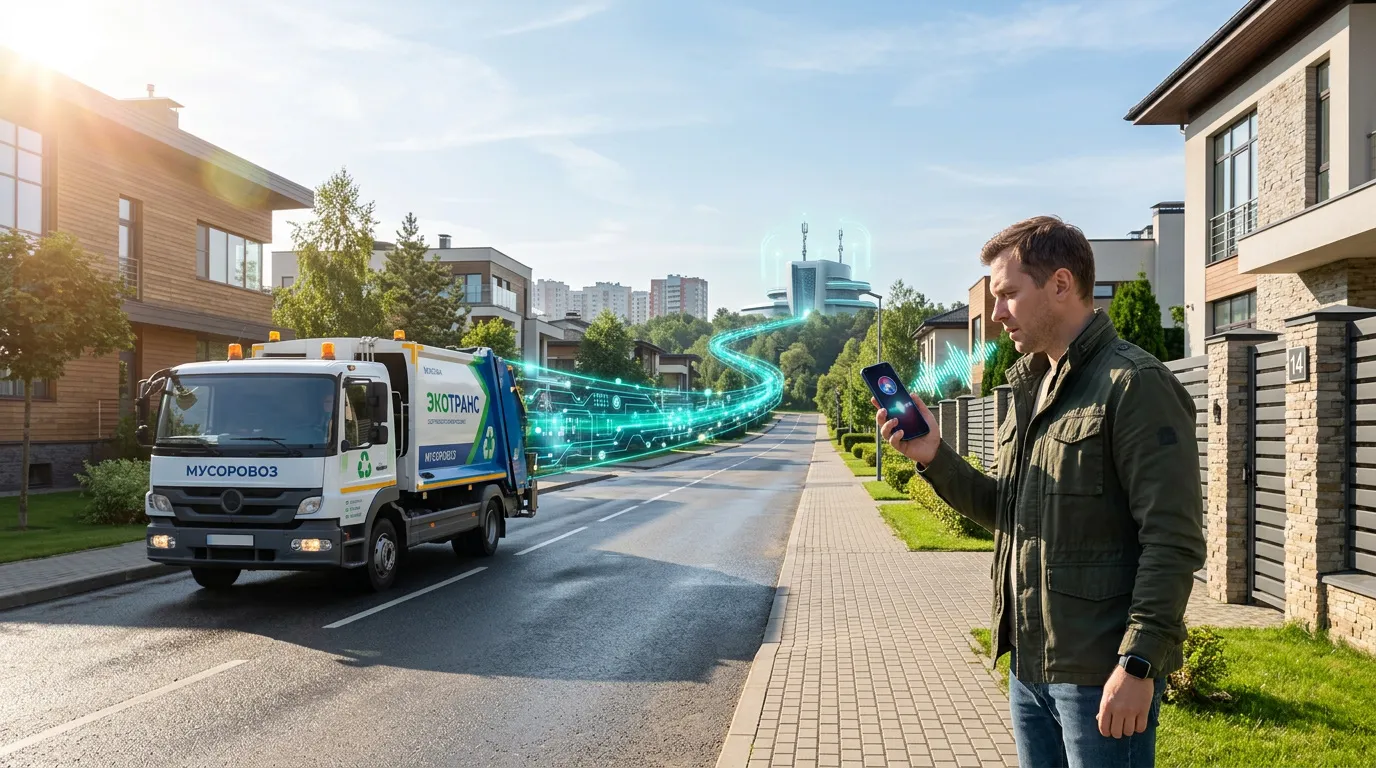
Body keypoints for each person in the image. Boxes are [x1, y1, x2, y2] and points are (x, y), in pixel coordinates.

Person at [877, 215, 1204, 768]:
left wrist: (1140, 663)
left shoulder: (1133, 384)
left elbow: (1172, 540)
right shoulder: (1028, 387)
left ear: (1059, 283)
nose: (997, 313)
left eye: (1007, 294)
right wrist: (933, 456)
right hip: (1028, 670)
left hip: (1100, 676)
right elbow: (1008, 512)